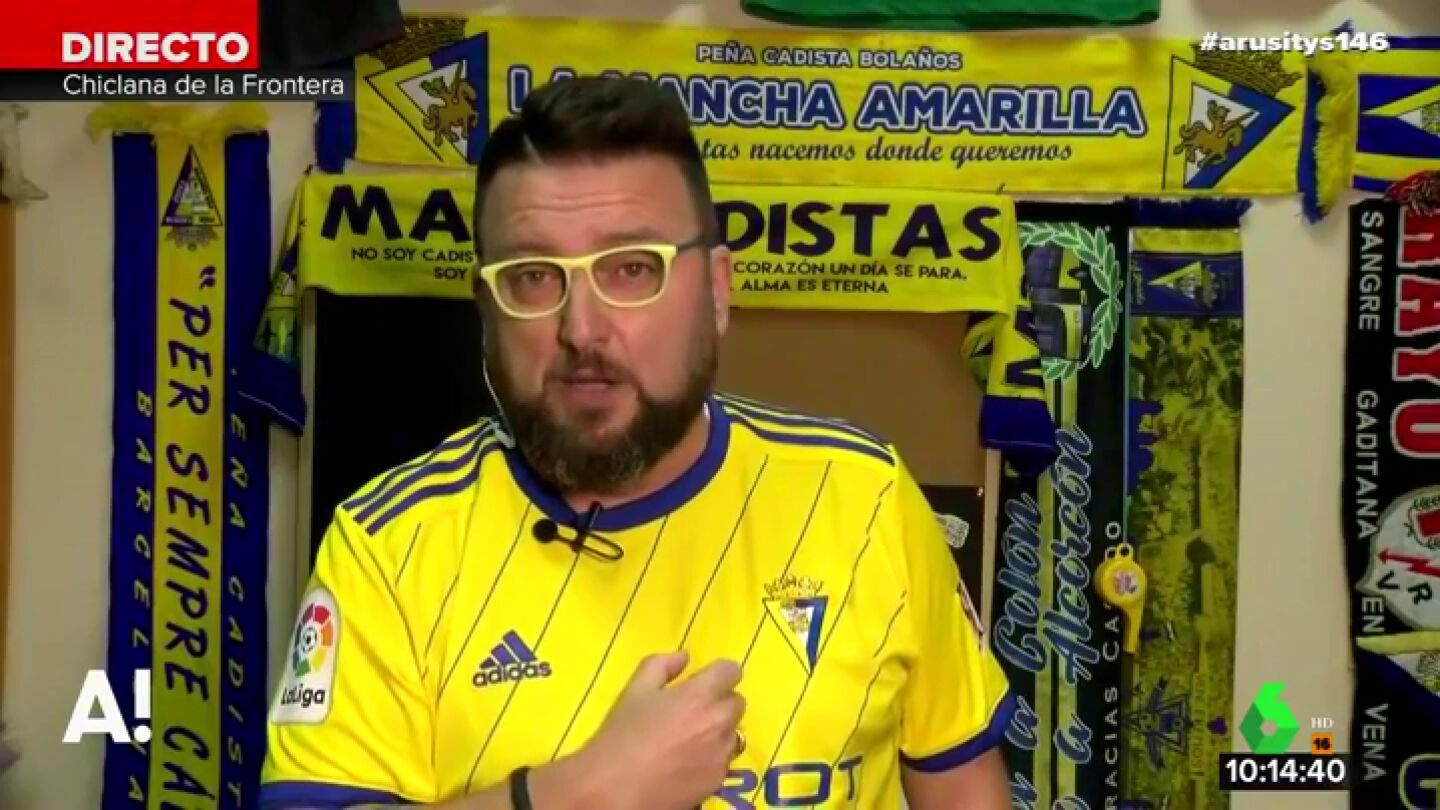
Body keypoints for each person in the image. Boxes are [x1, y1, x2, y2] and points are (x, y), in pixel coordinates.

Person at [258, 76, 1015, 810]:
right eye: (533, 277)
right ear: (486, 310)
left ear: (717, 291)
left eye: (632, 269)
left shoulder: (861, 499)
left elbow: (963, 790)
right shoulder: (390, 547)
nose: (582, 329)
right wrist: (580, 795)